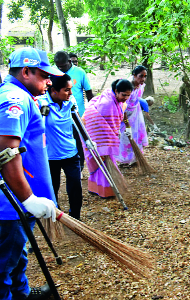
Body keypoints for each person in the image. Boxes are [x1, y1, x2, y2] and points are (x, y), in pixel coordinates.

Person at [0, 47, 63, 300]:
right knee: (3, 265)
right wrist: (28, 199)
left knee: (17, 255)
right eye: (44, 75)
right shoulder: (14, 99)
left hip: (17, 205)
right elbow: (6, 151)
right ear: (26, 71)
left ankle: (22, 295)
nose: (50, 81)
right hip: (11, 205)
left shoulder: (21, 95)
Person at [36, 74, 83, 220]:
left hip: (70, 152)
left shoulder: (70, 101)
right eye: (66, 90)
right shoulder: (41, 102)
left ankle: (76, 217)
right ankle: (54, 215)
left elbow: (77, 121)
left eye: (71, 89)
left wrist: (86, 142)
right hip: (50, 155)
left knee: (75, 186)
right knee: (52, 187)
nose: (71, 93)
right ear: (54, 91)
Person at [83, 79, 133, 198]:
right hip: (99, 139)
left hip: (108, 137)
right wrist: (108, 139)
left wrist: (127, 126)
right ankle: (106, 191)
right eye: (123, 95)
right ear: (116, 91)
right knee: (103, 165)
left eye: (128, 95)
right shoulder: (107, 104)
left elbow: (121, 115)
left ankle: (98, 189)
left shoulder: (118, 101)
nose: (126, 97)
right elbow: (98, 123)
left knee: (105, 165)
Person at [54, 51, 94, 173]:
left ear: (69, 62)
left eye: (63, 66)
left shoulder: (80, 72)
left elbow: (88, 92)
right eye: (58, 66)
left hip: (78, 114)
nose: (60, 68)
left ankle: (80, 169)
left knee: (79, 141)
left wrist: (92, 110)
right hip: (58, 116)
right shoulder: (53, 73)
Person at [116, 66, 149, 166]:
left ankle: (134, 159)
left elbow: (138, 99)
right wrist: (127, 124)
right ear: (134, 75)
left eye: (145, 76)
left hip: (135, 114)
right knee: (125, 137)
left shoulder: (141, 85)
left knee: (136, 135)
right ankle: (124, 160)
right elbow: (123, 107)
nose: (143, 79)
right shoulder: (127, 87)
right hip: (124, 115)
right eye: (140, 76)